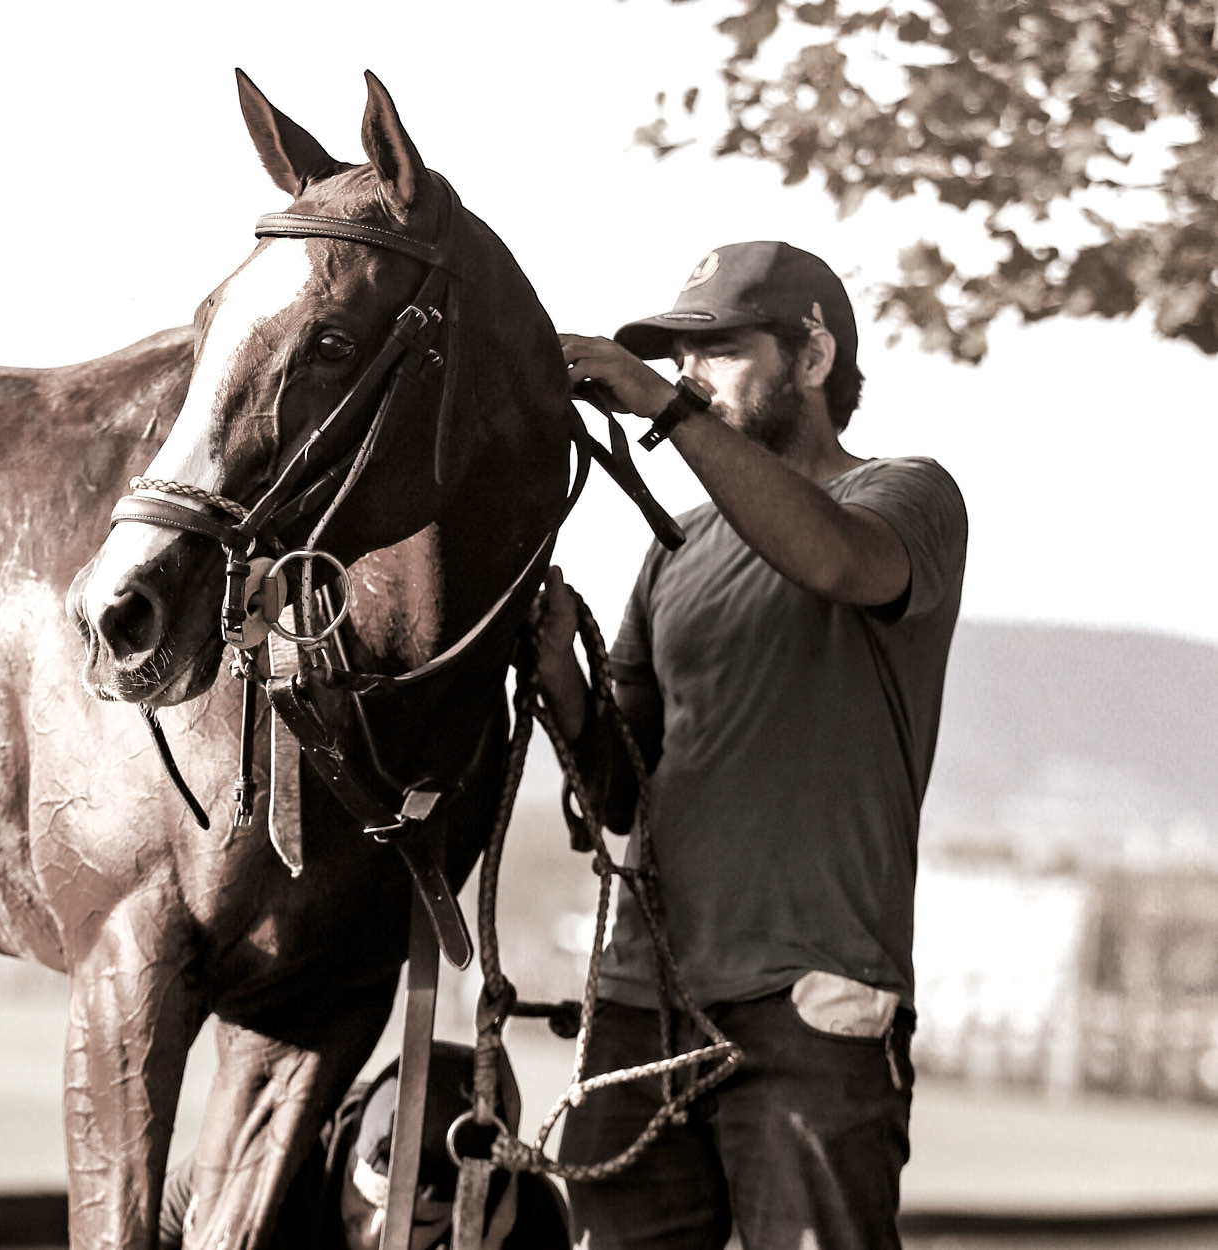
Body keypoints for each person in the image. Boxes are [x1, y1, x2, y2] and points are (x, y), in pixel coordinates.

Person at [543, 241, 968, 1250]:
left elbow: (830, 559)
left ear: (812, 354)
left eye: (718, 351)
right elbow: (617, 788)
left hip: (811, 1001)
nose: (691, 376)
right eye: (679, 359)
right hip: (642, 998)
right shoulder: (672, 549)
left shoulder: (907, 494)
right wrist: (556, 667)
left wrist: (659, 403)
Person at [159, 1041, 571, 1250]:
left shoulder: (526, 1222)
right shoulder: (269, 1161)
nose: (376, 1235)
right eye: (366, 1198)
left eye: (419, 1223)